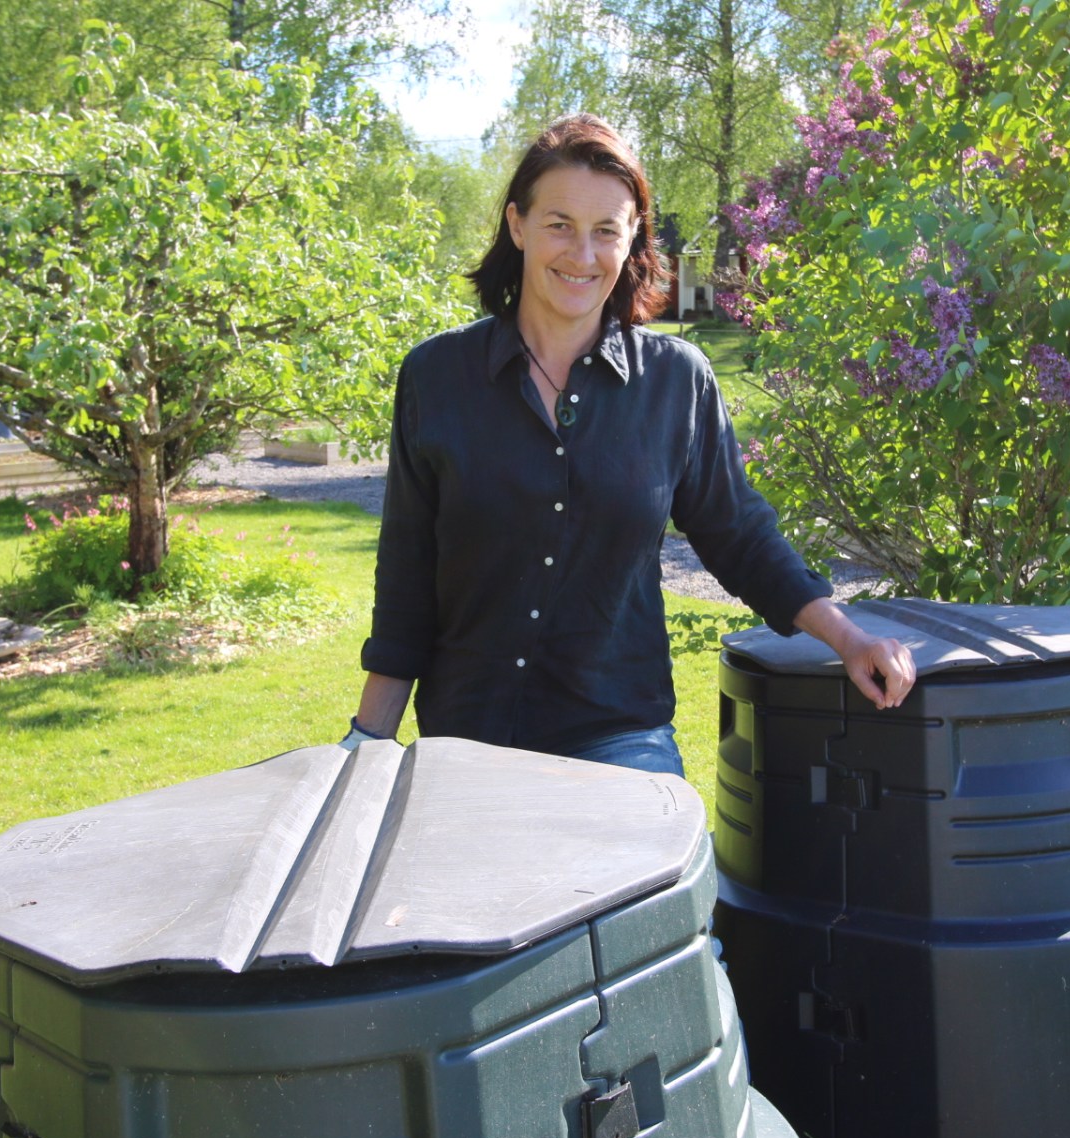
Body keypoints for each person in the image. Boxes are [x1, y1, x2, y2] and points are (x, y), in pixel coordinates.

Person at [342, 114, 915, 774]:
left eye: (606, 230)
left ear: (633, 235)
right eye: (560, 225)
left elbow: (739, 537)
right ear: (517, 225)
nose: (582, 255)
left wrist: (849, 638)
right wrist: (368, 739)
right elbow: (408, 569)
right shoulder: (438, 376)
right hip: (465, 741)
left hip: (618, 737)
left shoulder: (675, 380)